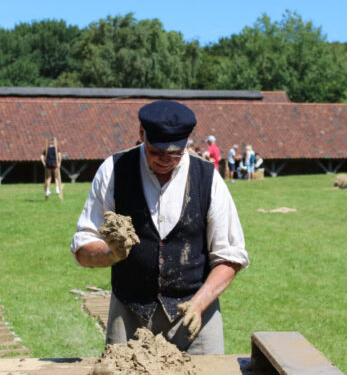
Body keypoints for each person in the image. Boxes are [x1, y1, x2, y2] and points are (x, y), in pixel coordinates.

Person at [71, 100, 249, 354]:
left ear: (188, 140)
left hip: (195, 315)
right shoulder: (114, 171)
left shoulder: (208, 178)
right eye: (156, 152)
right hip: (130, 312)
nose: (166, 160)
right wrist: (111, 253)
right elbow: (83, 245)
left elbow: (230, 255)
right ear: (141, 134)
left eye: (175, 153)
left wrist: (199, 304)